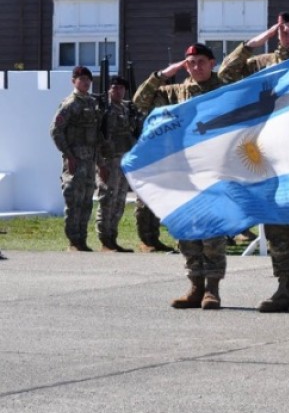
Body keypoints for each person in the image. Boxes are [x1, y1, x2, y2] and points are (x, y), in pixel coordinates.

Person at [218, 12, 289, 314]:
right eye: (281, 32)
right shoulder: (263, 64)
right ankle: (283, 287)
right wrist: (254, 43)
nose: (286, 36)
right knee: (275, 225)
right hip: (268, 153)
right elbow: (226, 73)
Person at [133, 43, 229, 310]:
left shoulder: (226, 90)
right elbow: (140, 101)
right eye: (191, 63)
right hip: (182, 173)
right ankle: (195, 286)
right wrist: (164, 73)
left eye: (201, 61)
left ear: (212, 63)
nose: (196, 67)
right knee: (186, 231)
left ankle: (212, 289)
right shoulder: (175, 93)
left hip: (212, 172)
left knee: (212, 233)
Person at [50, 66, 102, 252]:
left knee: (87, 200)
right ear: (74, 81)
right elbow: (55, 130)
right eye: (81, 79)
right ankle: (73, 241)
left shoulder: (92, 103)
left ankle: (82, 240)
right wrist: (68, 155)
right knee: (74, 200)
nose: (86, 82)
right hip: (75, 159)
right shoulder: (70, 103)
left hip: (89, 161)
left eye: (88, 79)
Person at [94, 76, 135, 253]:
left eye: (121, 88)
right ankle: (105, 240)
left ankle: (113, 238)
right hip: (109, 160)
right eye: (114, 88)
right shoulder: (102, 108)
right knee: (107, 199)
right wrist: (101, 163)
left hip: (124, 160)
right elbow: (96, 136)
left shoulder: (127, 108)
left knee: (119, 201)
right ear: (109, 90)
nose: (118, 91)